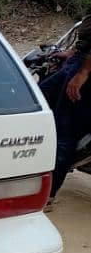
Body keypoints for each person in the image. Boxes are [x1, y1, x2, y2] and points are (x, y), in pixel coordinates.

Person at [39, 13, 91, 204]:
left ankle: (48, 196)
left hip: (85, 70)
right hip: (79, 60)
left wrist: (83, 72)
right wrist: (73, 52)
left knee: (65, 131)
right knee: (38, 98)